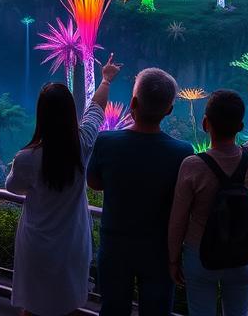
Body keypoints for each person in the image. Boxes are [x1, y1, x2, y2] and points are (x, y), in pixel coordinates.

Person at [8, 56, 122, 316]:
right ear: (71, 114)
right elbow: (96, 108)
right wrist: (105, 79)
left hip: (36, 241)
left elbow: (13, 186)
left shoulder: (26, 158)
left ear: (41, 116)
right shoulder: (82, 145)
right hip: (72, 241)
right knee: (69, 304)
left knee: (32, 305)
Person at [87, 68, 194, 316]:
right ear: (169, 110)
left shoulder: (106, 142)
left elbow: (94, 182)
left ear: (133, 102)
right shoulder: (182, 152)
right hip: (159, 249)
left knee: (113, 309)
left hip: (115, 245)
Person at [167, 77, 248, 316]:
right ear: (240, 126)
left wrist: (173, 259)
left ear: (205, 123)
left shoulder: (192, 165)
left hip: (199, 255)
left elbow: (178, 219)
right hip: (241, 256)